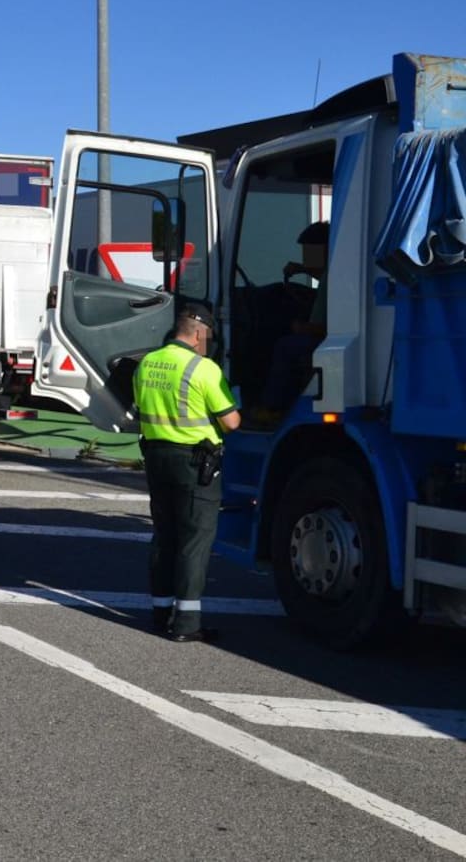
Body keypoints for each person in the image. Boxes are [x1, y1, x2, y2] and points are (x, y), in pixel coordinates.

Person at [133, 303, 241, 643]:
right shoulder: (203, 369)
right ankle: (186, 623)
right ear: (198, 335)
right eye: (208, 337)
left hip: (156, 457)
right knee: (194, 541)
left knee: (165, 536)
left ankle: (160, 613)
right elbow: (231, 421)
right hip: (196, 463)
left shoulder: (147, 363)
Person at [256, 221, 330, 421]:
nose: (306, 256)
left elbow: (331, 328)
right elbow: (321, 274)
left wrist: (303, 327)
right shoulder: (332, 274)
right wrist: (303, 269)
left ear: (322, 249)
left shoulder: (334, 279)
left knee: (284, 346)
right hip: (319, 335)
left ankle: (272, 407)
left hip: (322, 339)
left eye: (309, 251)